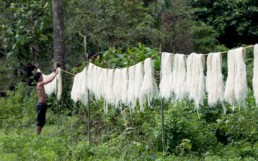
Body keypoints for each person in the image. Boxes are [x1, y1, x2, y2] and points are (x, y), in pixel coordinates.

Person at [34, 69, 58, 135]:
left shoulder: (40, 84)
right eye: (41, 76)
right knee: (40, 121)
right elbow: (50, 80)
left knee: (42, 121)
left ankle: (38, 134)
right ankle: (37, 135)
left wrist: (53, 72)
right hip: (41, 105)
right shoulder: (39, 84)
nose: (43, 77)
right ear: (39, 78)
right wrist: (56, 73)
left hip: (42, 104)